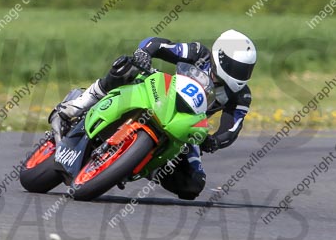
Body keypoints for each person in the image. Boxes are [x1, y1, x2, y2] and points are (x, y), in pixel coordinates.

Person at [50, 29, 256, 200]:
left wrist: (214, 142)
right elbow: (157, 45)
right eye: (237, 68)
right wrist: (145, 53)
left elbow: (231, 128)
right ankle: (78, 105)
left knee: (193, 185)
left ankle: (147, 166)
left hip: (185, 124)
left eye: (246, 70)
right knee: (126, 66)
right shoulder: (198, 52)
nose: (240, 74)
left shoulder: (241, 95)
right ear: (220, 56)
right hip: (161, 92)